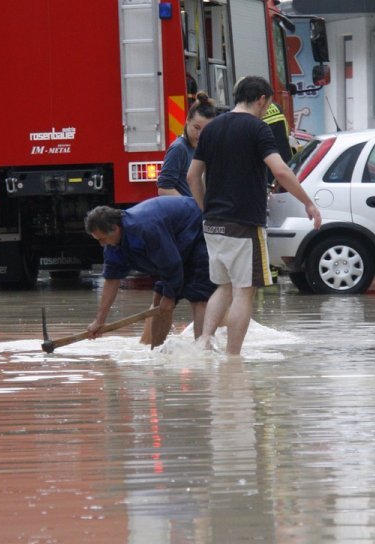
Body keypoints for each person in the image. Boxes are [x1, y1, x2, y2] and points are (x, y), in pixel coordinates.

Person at [187, 75, 322, 356]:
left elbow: (192, 176)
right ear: (262, 99)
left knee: (223, 287)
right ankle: (233, 358)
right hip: (244, 223)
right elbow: (281, 171)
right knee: (243, 292)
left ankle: (203, 343)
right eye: (267, 103)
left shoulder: (211, 129)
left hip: (213, 224)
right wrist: (308, 202)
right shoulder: (258, 129)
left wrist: (205, 209)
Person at [84, 197, 216, 346]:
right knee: (159, 302)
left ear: (115, 228)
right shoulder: (112, 244)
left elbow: (171, 263)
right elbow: (111, 280)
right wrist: (99, 321)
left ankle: (203, 350)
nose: (101, 244)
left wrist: (170, 296)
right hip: (172, 246)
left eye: (102, 239)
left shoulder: (145, 229)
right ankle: (156, 351)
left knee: (199, 296)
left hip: (196, 232)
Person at [157, 92, 217, 197]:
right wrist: (191, 205)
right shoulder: (179, 149)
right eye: (196, 128)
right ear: (187, 120)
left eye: (206, 130)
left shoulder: (203, 148)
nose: (200, 135)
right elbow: (164, 188)